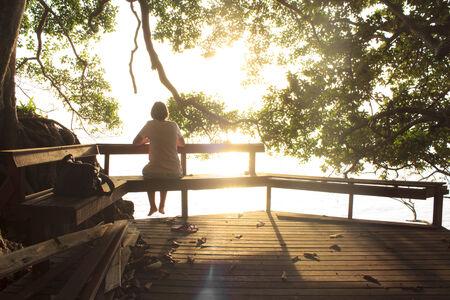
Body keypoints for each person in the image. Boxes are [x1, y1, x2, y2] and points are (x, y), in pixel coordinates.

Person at [133, 101, 185, 216]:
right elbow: (182, 144)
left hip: (154, 171)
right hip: (174, 172)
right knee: (165, 171)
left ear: (153, 113)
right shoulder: (174, 125)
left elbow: (135, 142)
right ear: (166, 113)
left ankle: (153, 206)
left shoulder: (150, 125)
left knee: (148, 172)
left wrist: (147, 140)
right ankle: (162, 205)